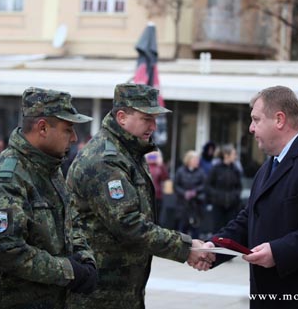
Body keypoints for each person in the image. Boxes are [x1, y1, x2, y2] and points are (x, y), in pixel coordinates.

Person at [66, 83, 213, 309]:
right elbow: (128, 224)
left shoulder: (129, 150)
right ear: (122, 117)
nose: (153, 126)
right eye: (147, 118)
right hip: (99, 293)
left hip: (121, 289)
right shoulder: (106, 160)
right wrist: (185, 247)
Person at [196, 86, 298, 308]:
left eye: (256, 119)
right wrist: (214, 248)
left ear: (279, 119)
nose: (251, 128)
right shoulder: (268, 166)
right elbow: (249, 218)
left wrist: (278, 252)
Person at [0, 87, 98, 309]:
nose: (75, 138)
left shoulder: (50, 170)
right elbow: (8, 252)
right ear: (43, 128)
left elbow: (71, 220)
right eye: (68, 129)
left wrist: (84, 258)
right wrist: (69, 271)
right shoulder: (4, 179)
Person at [205, 144, 242, 233]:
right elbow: (208, 185)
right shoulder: (216, 169)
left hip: (232, 206)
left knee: (230, 230)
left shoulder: (235, 169)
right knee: (217, 230)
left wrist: (235, 196)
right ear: (226, 155)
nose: (235, 156)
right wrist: (216, 195)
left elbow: (239, 187)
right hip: (218, 205)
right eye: (233, 154)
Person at [174, 150, 206, 238]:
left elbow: (204, 185)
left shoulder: (201, 172)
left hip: (196, 206)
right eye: (195, 159)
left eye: (197, 159)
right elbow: (176, 186)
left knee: (196, 230)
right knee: (182, 230)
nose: (197, 161)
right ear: (189, 160)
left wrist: (195, 192)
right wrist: (185, 193)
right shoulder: (180, 171)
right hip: (183, 205)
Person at [145, 149, 169, 221]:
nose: (152, 157)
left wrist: (161, 165)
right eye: (151, 155)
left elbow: (165, 178)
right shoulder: (144, 165)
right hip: (146, 195)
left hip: (157, 196)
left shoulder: (159, 166)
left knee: (157, 218)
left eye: (154, 156)